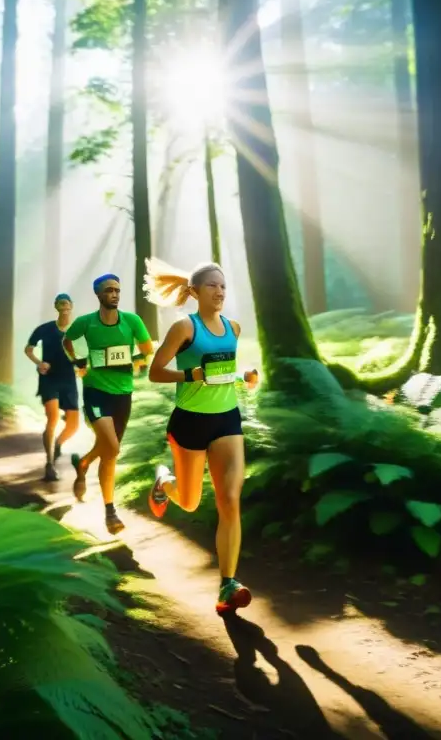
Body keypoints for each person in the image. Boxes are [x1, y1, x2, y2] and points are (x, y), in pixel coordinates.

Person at [143, 258, 259, 616]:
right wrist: (190, 375)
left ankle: (228, 583)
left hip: (226, 421)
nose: (219, 291)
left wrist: (245, 376)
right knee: (191, 502)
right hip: (189, 423)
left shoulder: (233, 328)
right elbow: (155, 372)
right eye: (212, 285)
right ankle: (164, 481)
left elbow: (222, 373)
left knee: (230, 500)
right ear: (194, 292)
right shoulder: (184, 328)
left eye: (223, 286)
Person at [62, 273, 154, 536]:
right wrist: (76, 361)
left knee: (109, 451)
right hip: (95, 392)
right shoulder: (86, 323)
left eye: (117, 290)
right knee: (112, 447)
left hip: (123, 394)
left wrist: (135, 359)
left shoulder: (132, 321)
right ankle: (110, 511)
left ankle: (84, 463)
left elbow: (148, 350)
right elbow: (67, 340)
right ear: (98, 295)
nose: (114, 294)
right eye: (108, 290)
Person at [24, 293, 82, 482]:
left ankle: (57, 445)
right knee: (53, 418)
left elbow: (85, 355)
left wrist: (82, 368)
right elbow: (28, 349)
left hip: (69, 380)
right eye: (60, 303)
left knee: (73, 425)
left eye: (66, 303)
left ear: (71, 306)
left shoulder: (78, 330)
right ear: (56, 306)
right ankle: (49, 465)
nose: (64, 306)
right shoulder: (45, 329)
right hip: (49, 378)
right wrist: (39, 363)